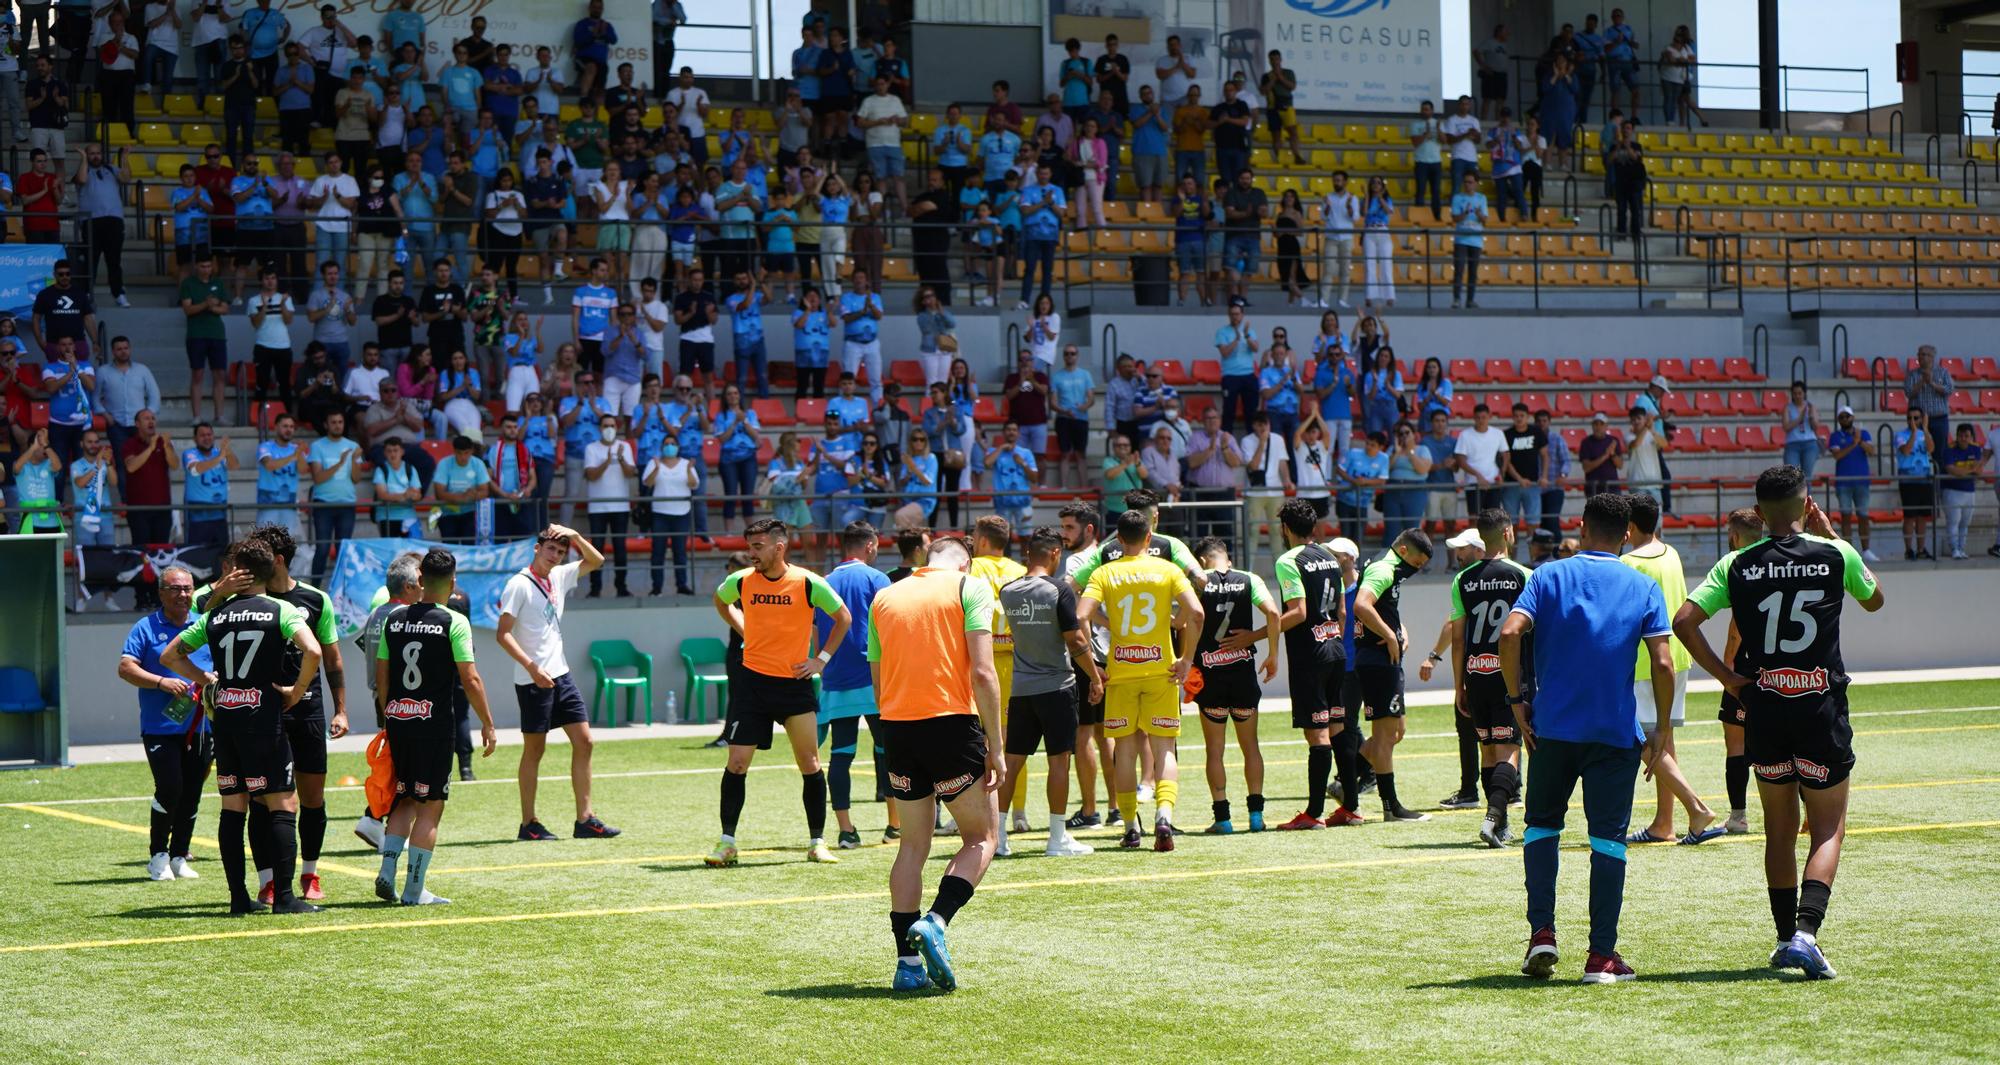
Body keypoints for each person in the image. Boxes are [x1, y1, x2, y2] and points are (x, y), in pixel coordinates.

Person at [1675, 465, 1885, 980]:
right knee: (1829, 826)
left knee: (1779, 829)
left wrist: (1728, 678)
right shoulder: (1835, 554)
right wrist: (1833, 536)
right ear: (1806, 502)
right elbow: (1875, 600)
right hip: (1821, 707)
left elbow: (1683, 621)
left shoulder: (1738, 563)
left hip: (1764, 708)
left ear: (1760, 511)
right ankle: (1807, 935)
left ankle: (1783, 937)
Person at [1499, 492, 1674, 983]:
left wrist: (1517, 702)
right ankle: (1601, 958)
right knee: (1608, 842)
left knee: (1541, 829)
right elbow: (1662, 662)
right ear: (1626, 534)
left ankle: (1542, 935)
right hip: (1614, 734)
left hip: (1551, 729)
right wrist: (1659, 727)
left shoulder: (1547, 575)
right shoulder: (1642, 585)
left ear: (1581, 524)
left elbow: (1510, 635)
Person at [857, 534, 1001, 993]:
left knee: (911, 847)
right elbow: (982, 671)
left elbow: (877, 679)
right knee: (982, 838)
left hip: (897, 727)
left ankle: (907, 965)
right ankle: (936, 920)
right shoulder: (969, 587)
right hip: (950, 726)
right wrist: (996, 745)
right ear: (966, 562)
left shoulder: (885, 596)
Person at [160, 539, 324, 916]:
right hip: (263, 719)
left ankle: (238, 898)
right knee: (283, 802)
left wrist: (205, 680)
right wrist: (296, 691)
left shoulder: (215, 617)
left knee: (233, 806)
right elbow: (313, 651)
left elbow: (169, 655)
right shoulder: (280, 609)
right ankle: (284, 897)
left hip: (227, 719)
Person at [705, 519, 851, 866]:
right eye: (750, 546)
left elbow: (843, 617)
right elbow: (720, 601)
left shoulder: (807, 583)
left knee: (810, 763)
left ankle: (817, 842)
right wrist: (742, 629)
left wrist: (821, 660)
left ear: (779, 547)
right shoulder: (740, 581)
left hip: (794, 686)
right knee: (737, 763)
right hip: (752, 685)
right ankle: (727, 843)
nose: (751, 553)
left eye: (758, 547)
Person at [371, 548, 496, 906]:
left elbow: (383, 675)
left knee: (405, 799)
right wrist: (487, 722)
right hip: (433, 724)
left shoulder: (394, 619)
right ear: (453, 582)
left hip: (399, 718)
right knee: (431, 805)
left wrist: (386, 714)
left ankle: (386, 870)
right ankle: (413, 890)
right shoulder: (454, 621)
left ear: (420, 579)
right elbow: (470, 677)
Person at [1078, 508, 1203, 852]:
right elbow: (1197, 612)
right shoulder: (1168, 570)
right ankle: (1164, 814)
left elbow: (1080, 615)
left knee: (1125, 751)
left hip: (1120, 673)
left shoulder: (1105, 572)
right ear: (1149, 537)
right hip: (1162, 670)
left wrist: (1095, 663)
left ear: (1118, 540)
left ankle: (1131, 827)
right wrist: (1187, 659)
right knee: (1164, 748)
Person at [495, 525, 619, 840]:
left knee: (585, 741)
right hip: (533, 678)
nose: (556, 556)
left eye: (561, 552)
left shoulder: (559, 576)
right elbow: (503, 634)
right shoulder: (519, 585)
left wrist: (574, 535)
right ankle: (528, 823)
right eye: (551, 549)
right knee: (535, 751)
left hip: (561, 674)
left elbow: (597, 560)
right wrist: (532, 667)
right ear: (537, 548)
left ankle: (585, 819)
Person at [989, 525, 1103, 859]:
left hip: (1021, 689)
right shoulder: (1060, 590)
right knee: (1059, 763)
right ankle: (1057, 838)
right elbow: (1076, 640)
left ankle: (998, 836)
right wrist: (1095, 677)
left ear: (1028, 554)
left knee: (1013, 762)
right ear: (1055, 554)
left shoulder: (1009, 591)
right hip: (1057, 687)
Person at [1619, 493, 1718, 845]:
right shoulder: (1672, 554)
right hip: (1676, 660)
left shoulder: (1629, 563)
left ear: (1629, 527)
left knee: (1642, 738)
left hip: (1646, 662)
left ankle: (1695, 807)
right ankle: (1664, 823)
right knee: (1666, 738)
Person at [1269, 498, 1361, 829]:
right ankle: (1350, 806)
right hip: (1336, 649)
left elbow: (1298, 612)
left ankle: (1313, 813)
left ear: (1285, 529)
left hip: (1310, 654)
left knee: (1317, 735)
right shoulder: (1329, 558)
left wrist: (1261, 632)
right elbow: (1341, 611)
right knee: (1338, 729)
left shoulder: (1287, 561)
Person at [118, 566, 214, 882]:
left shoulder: (202, 625)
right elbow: (125, 668)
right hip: (161, 727)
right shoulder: (146, 628)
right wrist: (161, 682)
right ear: (161, 593)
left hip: (202, 726)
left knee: (192, 792)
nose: (183, 595)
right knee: (170, 787)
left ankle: (179, 856)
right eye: (175, 589)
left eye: (187, 588)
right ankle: (158, 854)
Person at [1447, 509, 1533, 846]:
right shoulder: (1524, 575)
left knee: (1488, 751)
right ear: (1509, 533)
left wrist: (1459, 686)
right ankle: (1492, 819)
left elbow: (1458, 639)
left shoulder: (1462, 579)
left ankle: (1501, 823)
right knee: (1510, 751)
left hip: (1475, 674)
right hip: (1511, 675)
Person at [1188, 536, 1278, 835]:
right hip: (1242, 671)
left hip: (1210, 674)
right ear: (1227, 557)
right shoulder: (1249, 579)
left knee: (1215, 750)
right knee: (1250, 746)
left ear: (1202, 561)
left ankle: (1223, 818)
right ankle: (1256, 816)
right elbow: (1275, 614)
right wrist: (1271, 652)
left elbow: (1187, 621)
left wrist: (1186, 660)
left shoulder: (1199, 582)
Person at [816, 521, 896, 849]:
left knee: (841, 753)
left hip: (836, 679)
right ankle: (895, 826)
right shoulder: (879, 579)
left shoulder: (823, 582)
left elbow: (814, 632)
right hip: (874, 679)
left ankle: (846, 830)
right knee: (889, 750)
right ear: (871, 546)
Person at [1349, 528, 1434, 821]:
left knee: (1396, 732)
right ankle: (1391, 807)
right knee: (1385, 737)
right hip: (1377, 661)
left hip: (1384, 661)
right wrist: (1389, 634)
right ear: (1404, 552)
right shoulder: (1384, 569)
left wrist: (1399, 630)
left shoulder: (1388, 569)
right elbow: (1361, 605)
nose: (1416, 570)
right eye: (1417, 563)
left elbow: (1384, 609)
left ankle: (1345, 782)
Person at [305, 410, 361, 583]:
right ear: (326, 425)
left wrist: (352, 461)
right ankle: (315, 588)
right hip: (323, 505)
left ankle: (342, 590)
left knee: (343, 550)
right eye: (334, 422)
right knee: (322, 548)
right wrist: (340, 462)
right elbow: (318, 478)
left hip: (347, 504)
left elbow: (356, 478)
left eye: (340, 422)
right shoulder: (317, 446)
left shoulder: (353, 446)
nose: (338, 425)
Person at [180, 421, 237, 545]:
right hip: (198, 517)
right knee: (198, 556)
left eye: (209, 435)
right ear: (195, 438)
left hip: (220, 514)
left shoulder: (219, 452)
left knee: (221, 557)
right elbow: (195, 470)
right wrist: (219, 458)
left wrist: (228, 451)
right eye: (202, 435)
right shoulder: (189, 453)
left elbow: (234, 466)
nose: (207, 438)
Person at [1894, 409, 1934, 560]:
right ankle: (1909, 549)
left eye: (1916, 418)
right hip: (1908, 480)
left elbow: (1931, 449)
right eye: (1909, 418)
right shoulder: (1900, 435)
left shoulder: (1925, 434)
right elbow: (1906, 450)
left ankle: (1921, 549)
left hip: (1924, 478)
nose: (1912, 421)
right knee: (1909, 516)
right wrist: (1915, 433)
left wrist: (1925, 430)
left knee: (1923, 516)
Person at [1940, 425, 1983, 560]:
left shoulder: (1975, 449)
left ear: (1971, 437)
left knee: (1965, 522)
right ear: (1957, 436)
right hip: (1952, 491)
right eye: (1960, 436)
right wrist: (1970, 470)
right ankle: (1954, 549)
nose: (1963, 439)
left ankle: (1961, 548)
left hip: (1969, 491)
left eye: (1966, 436)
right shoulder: (1949, 450)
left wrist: (1965, 471)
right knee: (1954, 521)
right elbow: (1952, 471)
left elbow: (1979, 471)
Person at [1903, 345, 1954, 456]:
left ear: (1932, 357)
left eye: (1924, 354)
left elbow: (1949, 390)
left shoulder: (1943, 372)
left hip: (1939, 419)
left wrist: (1932, 383)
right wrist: (1922, 381)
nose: (1921, 357)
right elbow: (1908, 393)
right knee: (1917, 450)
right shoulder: (1912, 374)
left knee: (1940, 453)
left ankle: (1940, 473)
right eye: (1919, 354)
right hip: (1918, 421)